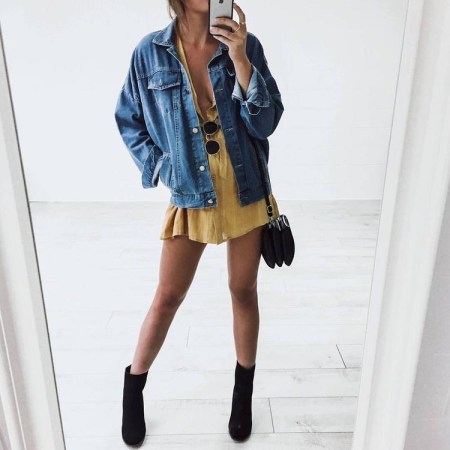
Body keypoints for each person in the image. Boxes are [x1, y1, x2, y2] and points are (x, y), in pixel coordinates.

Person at [114, 0, 284, 446]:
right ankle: (133, 386)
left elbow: (265, 123)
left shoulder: (246, 46)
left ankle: (243, 394)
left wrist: (241, 59)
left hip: (245, 186)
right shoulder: (149, 53)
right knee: (168, 297)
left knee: (243, 291)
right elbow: (128, 119)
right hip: (191, 189)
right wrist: (162, 167)